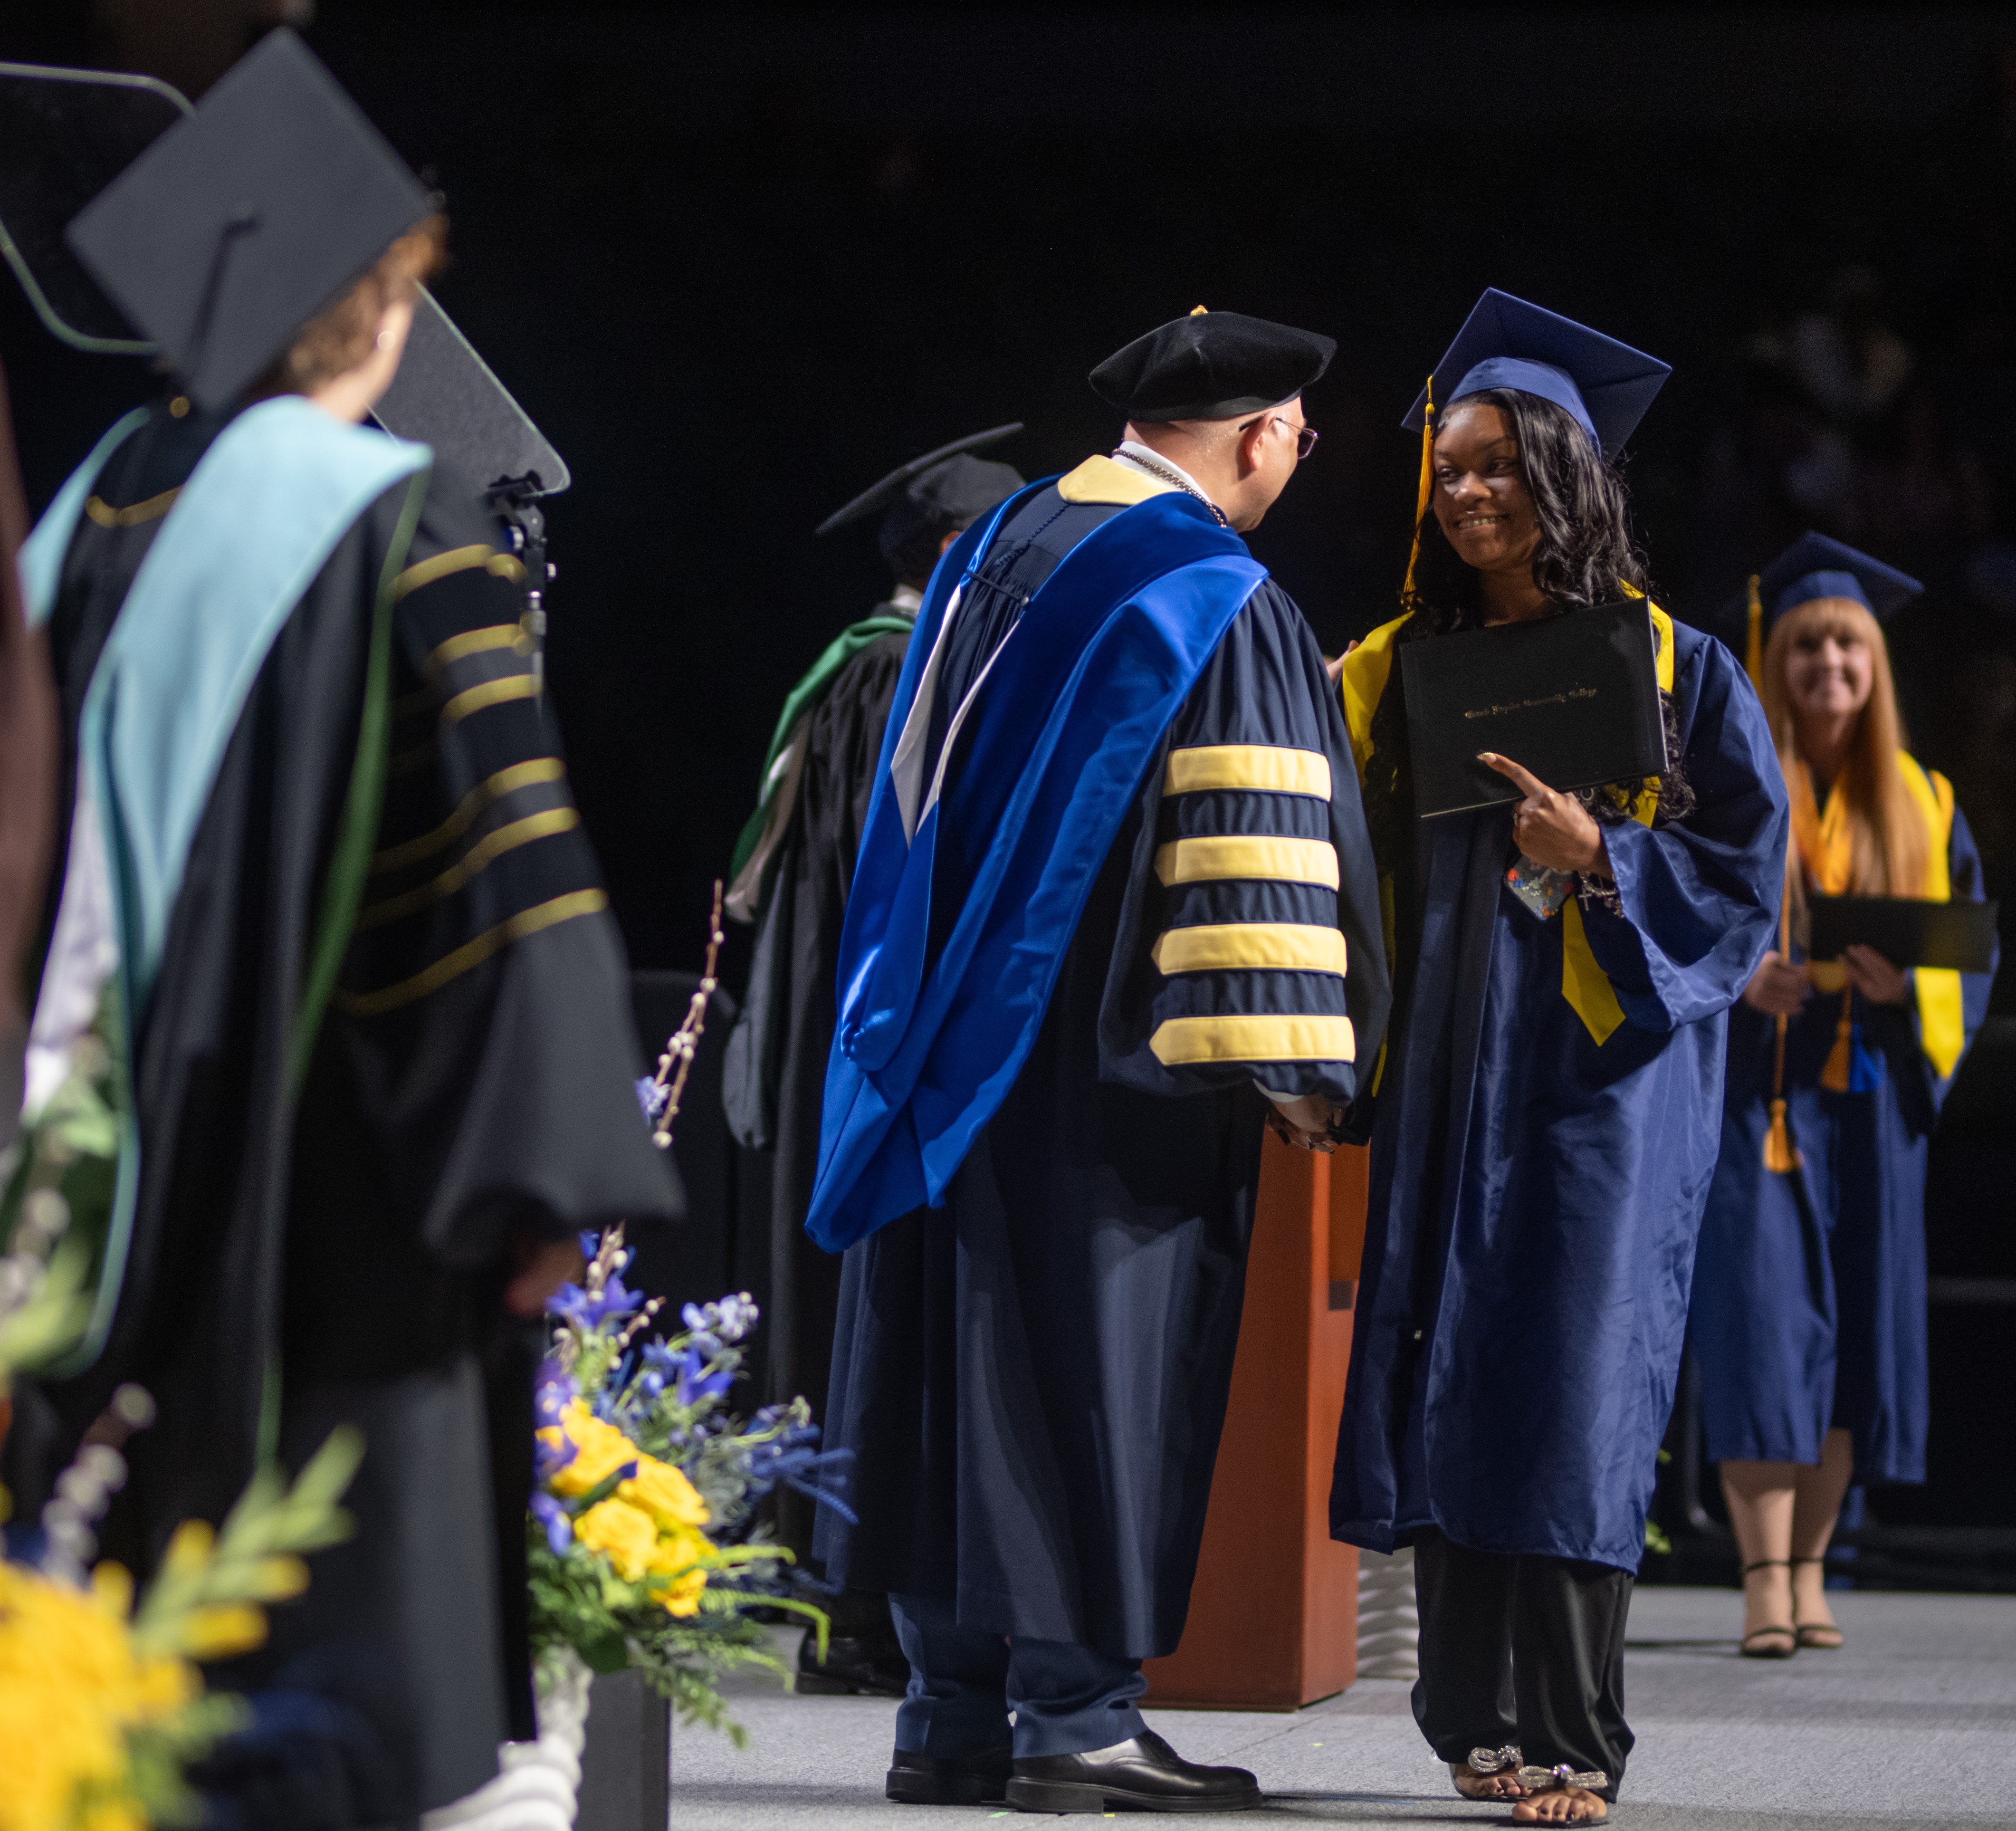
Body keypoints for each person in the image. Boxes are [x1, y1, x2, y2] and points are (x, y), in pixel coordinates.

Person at [3, 33, 675, 1828]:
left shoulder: (81, 526)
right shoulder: (400, 530)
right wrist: (544, 1184)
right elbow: (498, 887)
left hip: (94, 1178)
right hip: (341, 1222)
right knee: (330, 1681)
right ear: (369, 309)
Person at [807, 306, 1390, 1814]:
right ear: (1261, 434)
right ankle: (1071, 1716)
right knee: (1089, 1362)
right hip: (1112, 1081)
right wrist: (1294, 1064)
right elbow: (1253, 846)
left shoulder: (993, 549)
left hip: (940, 1056)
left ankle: (948, 1712)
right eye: (1296, 444)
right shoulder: (1206, 592)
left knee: (955, 1355)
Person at [1331, 290, 1787, 1825]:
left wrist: (1598, 852)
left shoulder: (1677, 669)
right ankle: (1469, 1711)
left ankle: (1577, 1735)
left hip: (1607, 1081)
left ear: (1564, 478)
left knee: (1575, 1377)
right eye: (1449, 469)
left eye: (1499, 469)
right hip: (1456, 1068)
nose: (1468, 494)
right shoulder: (1398, 672)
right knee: (1450, 1359)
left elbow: (1744, 873)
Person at [721, 427, 1023, 1696]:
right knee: (843, 1294)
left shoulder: (883, 670)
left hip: (826, 1032)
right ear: (953, 553)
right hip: (855, 1036)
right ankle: (843, 1602)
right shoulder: (889, 675)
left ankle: (845, 1589)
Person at [1690, 533, 1996, 1659]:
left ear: (1874, 668)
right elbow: (1677, 918)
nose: (1827, 663)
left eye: (1847, 646)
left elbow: (1968, 954)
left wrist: (1902, 982)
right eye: (1808, 643)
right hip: (1754, 1099)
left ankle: (1812, 1569)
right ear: (1777, 661)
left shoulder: (1922, 799)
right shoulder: (1733, 792)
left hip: (1867, 1095)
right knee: (1761, 1326)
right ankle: (1762, 1575)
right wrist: (1735, 980)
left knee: (1853, 1331)